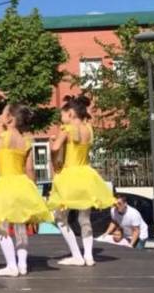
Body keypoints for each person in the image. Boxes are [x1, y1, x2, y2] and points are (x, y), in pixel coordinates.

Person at [0, 90, 53, 277]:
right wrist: (34, 192)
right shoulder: (26, 141)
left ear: (9, 119)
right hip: (22, 184)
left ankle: (11, 266)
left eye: (2, 113)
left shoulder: (2, 135)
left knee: (2, 226)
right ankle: (22, 265)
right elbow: (30, 169)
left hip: (5, 185)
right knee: (21, 227)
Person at [48, 95, 116, 267]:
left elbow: (56, 148)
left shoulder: (67, 129)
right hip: (86, 175)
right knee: (84, 219)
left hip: (69, 176)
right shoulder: (89, 129)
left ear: (70, 114)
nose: (61, 119)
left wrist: (53, 148)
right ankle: (89, 256)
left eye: (62, 115)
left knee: (60, 218)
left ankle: (77, 255)